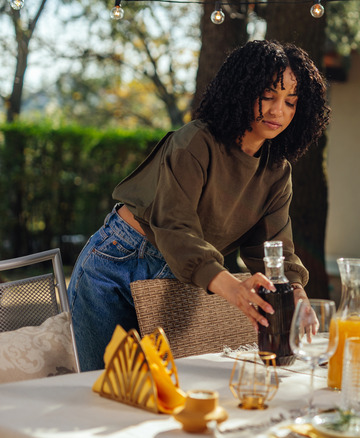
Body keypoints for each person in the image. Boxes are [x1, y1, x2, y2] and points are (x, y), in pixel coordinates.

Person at [67, 40, 330, 371]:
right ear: (243, 91)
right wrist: (233, 290)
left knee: (159, 393)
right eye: (268, 96)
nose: (279, 111)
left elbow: (272, 247)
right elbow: (175, 228)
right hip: (119, 264)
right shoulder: (196, 142)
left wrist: (295, 291)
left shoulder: (276, 172)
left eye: (291, 102)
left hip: (181, 274)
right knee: (103, 386)